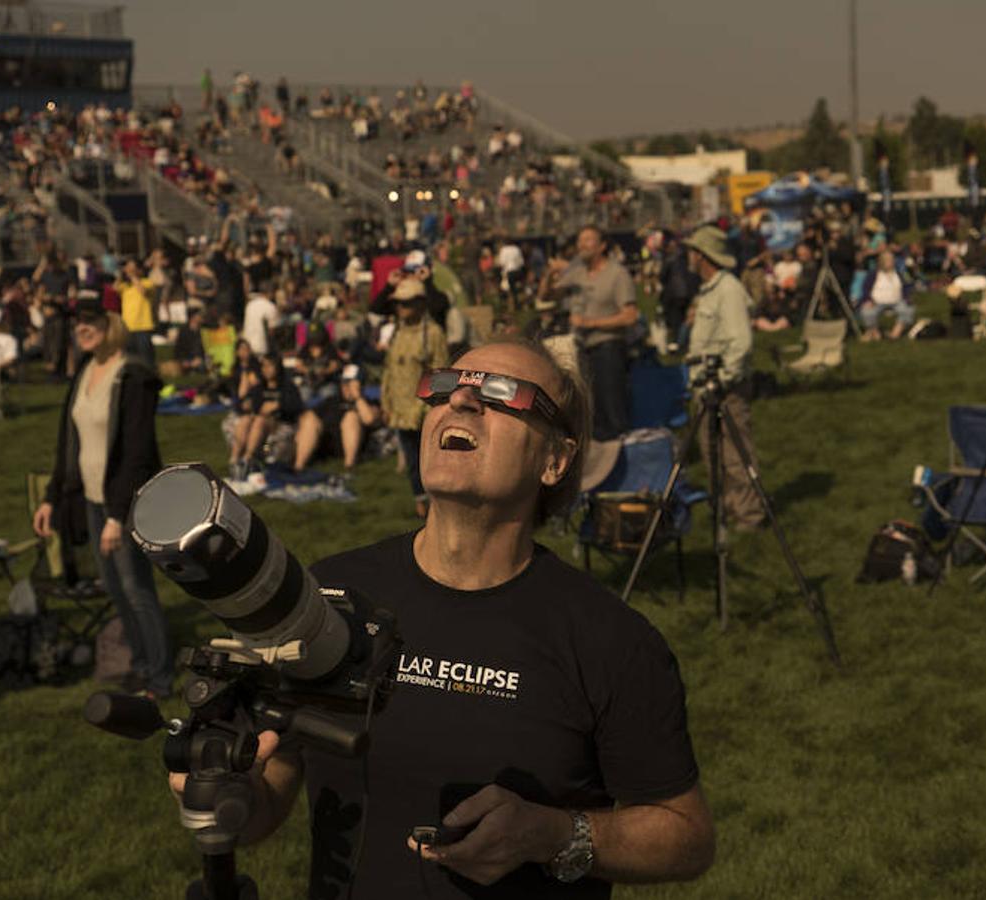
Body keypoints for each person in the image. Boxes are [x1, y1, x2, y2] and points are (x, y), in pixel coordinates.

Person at [169, 337, 715, 898]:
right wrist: (228, 792)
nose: (462, 402)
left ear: (555, 460)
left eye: (503, 393)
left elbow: (688, 836)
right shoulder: (330, 594)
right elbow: (271, 791)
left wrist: (553, 834)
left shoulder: (610, 640)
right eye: (446, 386)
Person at [32, 296, 172, 698]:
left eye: (91, 320)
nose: (81, 328)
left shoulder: (134, 377)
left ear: (112, 324)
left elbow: (137, 454)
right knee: (113, 587)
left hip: (124, 502)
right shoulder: (85, 372)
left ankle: (160, 678)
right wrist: (50, 498)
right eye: (77, 322)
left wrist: (116, 515)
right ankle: (141, 665)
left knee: (135, 587)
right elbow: (68, 443)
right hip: (92, 501)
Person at [683, 225, 764, 531]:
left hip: (724, 388)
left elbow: (741, 342)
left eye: (693, 251)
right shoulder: (710, 289)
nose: (689, 257)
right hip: (708, 388)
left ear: (703, 256)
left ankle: (748, 516)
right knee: (713, 452)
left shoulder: (728, 289)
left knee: (735, 453)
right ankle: (728, 510)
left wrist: (725, 377)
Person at [540, 226, 637, 440]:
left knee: (612, 410)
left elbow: (630, 316)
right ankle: (600, 463)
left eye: (588, 240)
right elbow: (546, 296)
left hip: (608, 348)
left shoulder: (617, 274)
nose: (581, 245)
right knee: (590, 412)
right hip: (581, 350)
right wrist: (550, 273)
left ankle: (623, 458)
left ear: (602, 246)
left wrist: (590, 322)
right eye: (580, 240)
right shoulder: (577, 272)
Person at [382, 277, 449, 518]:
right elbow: (389, 369)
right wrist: (386, 402)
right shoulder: (396, 332)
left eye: (406, 303)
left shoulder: (433, 334)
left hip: (422, 410)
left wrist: (425, 408)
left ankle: (440, 505)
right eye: (398, 304)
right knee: (411, 460)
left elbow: (440, 375)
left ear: (421, 304)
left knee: (432, 460)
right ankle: (420, 502)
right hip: (399, 409)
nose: (401, 308)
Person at [857, 250, 916, 341]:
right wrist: (867, 299)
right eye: (887, 260)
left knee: (908, 310)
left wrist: (907, 297)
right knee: (867, 311)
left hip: (897, 301)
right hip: (876, 301)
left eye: (891, 260)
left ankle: (895, 333)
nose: (890, 262)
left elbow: (907, 286)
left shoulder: (899, 273)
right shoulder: (873, 274)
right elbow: (866, 288)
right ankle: (874, 332)